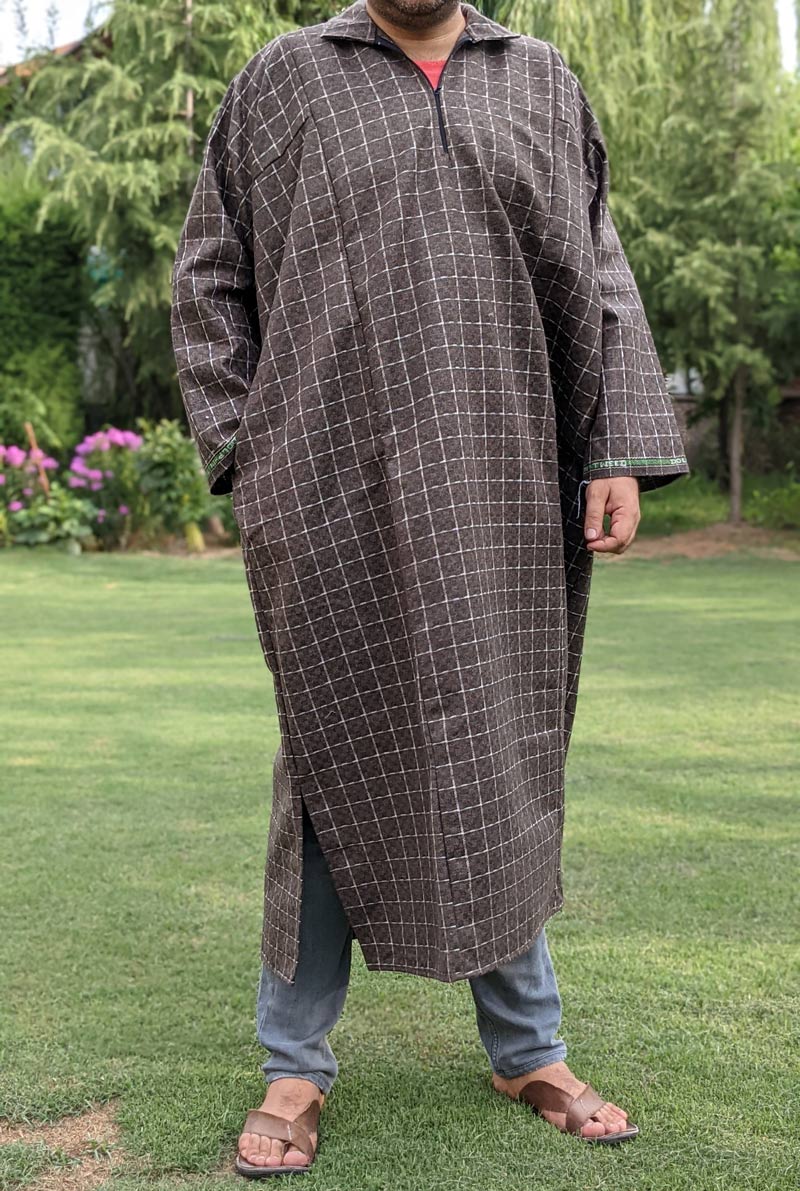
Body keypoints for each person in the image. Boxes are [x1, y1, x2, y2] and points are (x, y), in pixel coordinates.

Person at [171, 0, 690, 1175]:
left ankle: (528, 1047)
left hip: (503, 472)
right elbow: (208, 278)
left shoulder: (540, 81)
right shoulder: (285, 81)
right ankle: (293, 1067)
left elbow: (598, 270)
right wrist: (249, 455)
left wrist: (611, 448)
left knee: (494, 739)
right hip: (326, 478)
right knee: (328, 746)